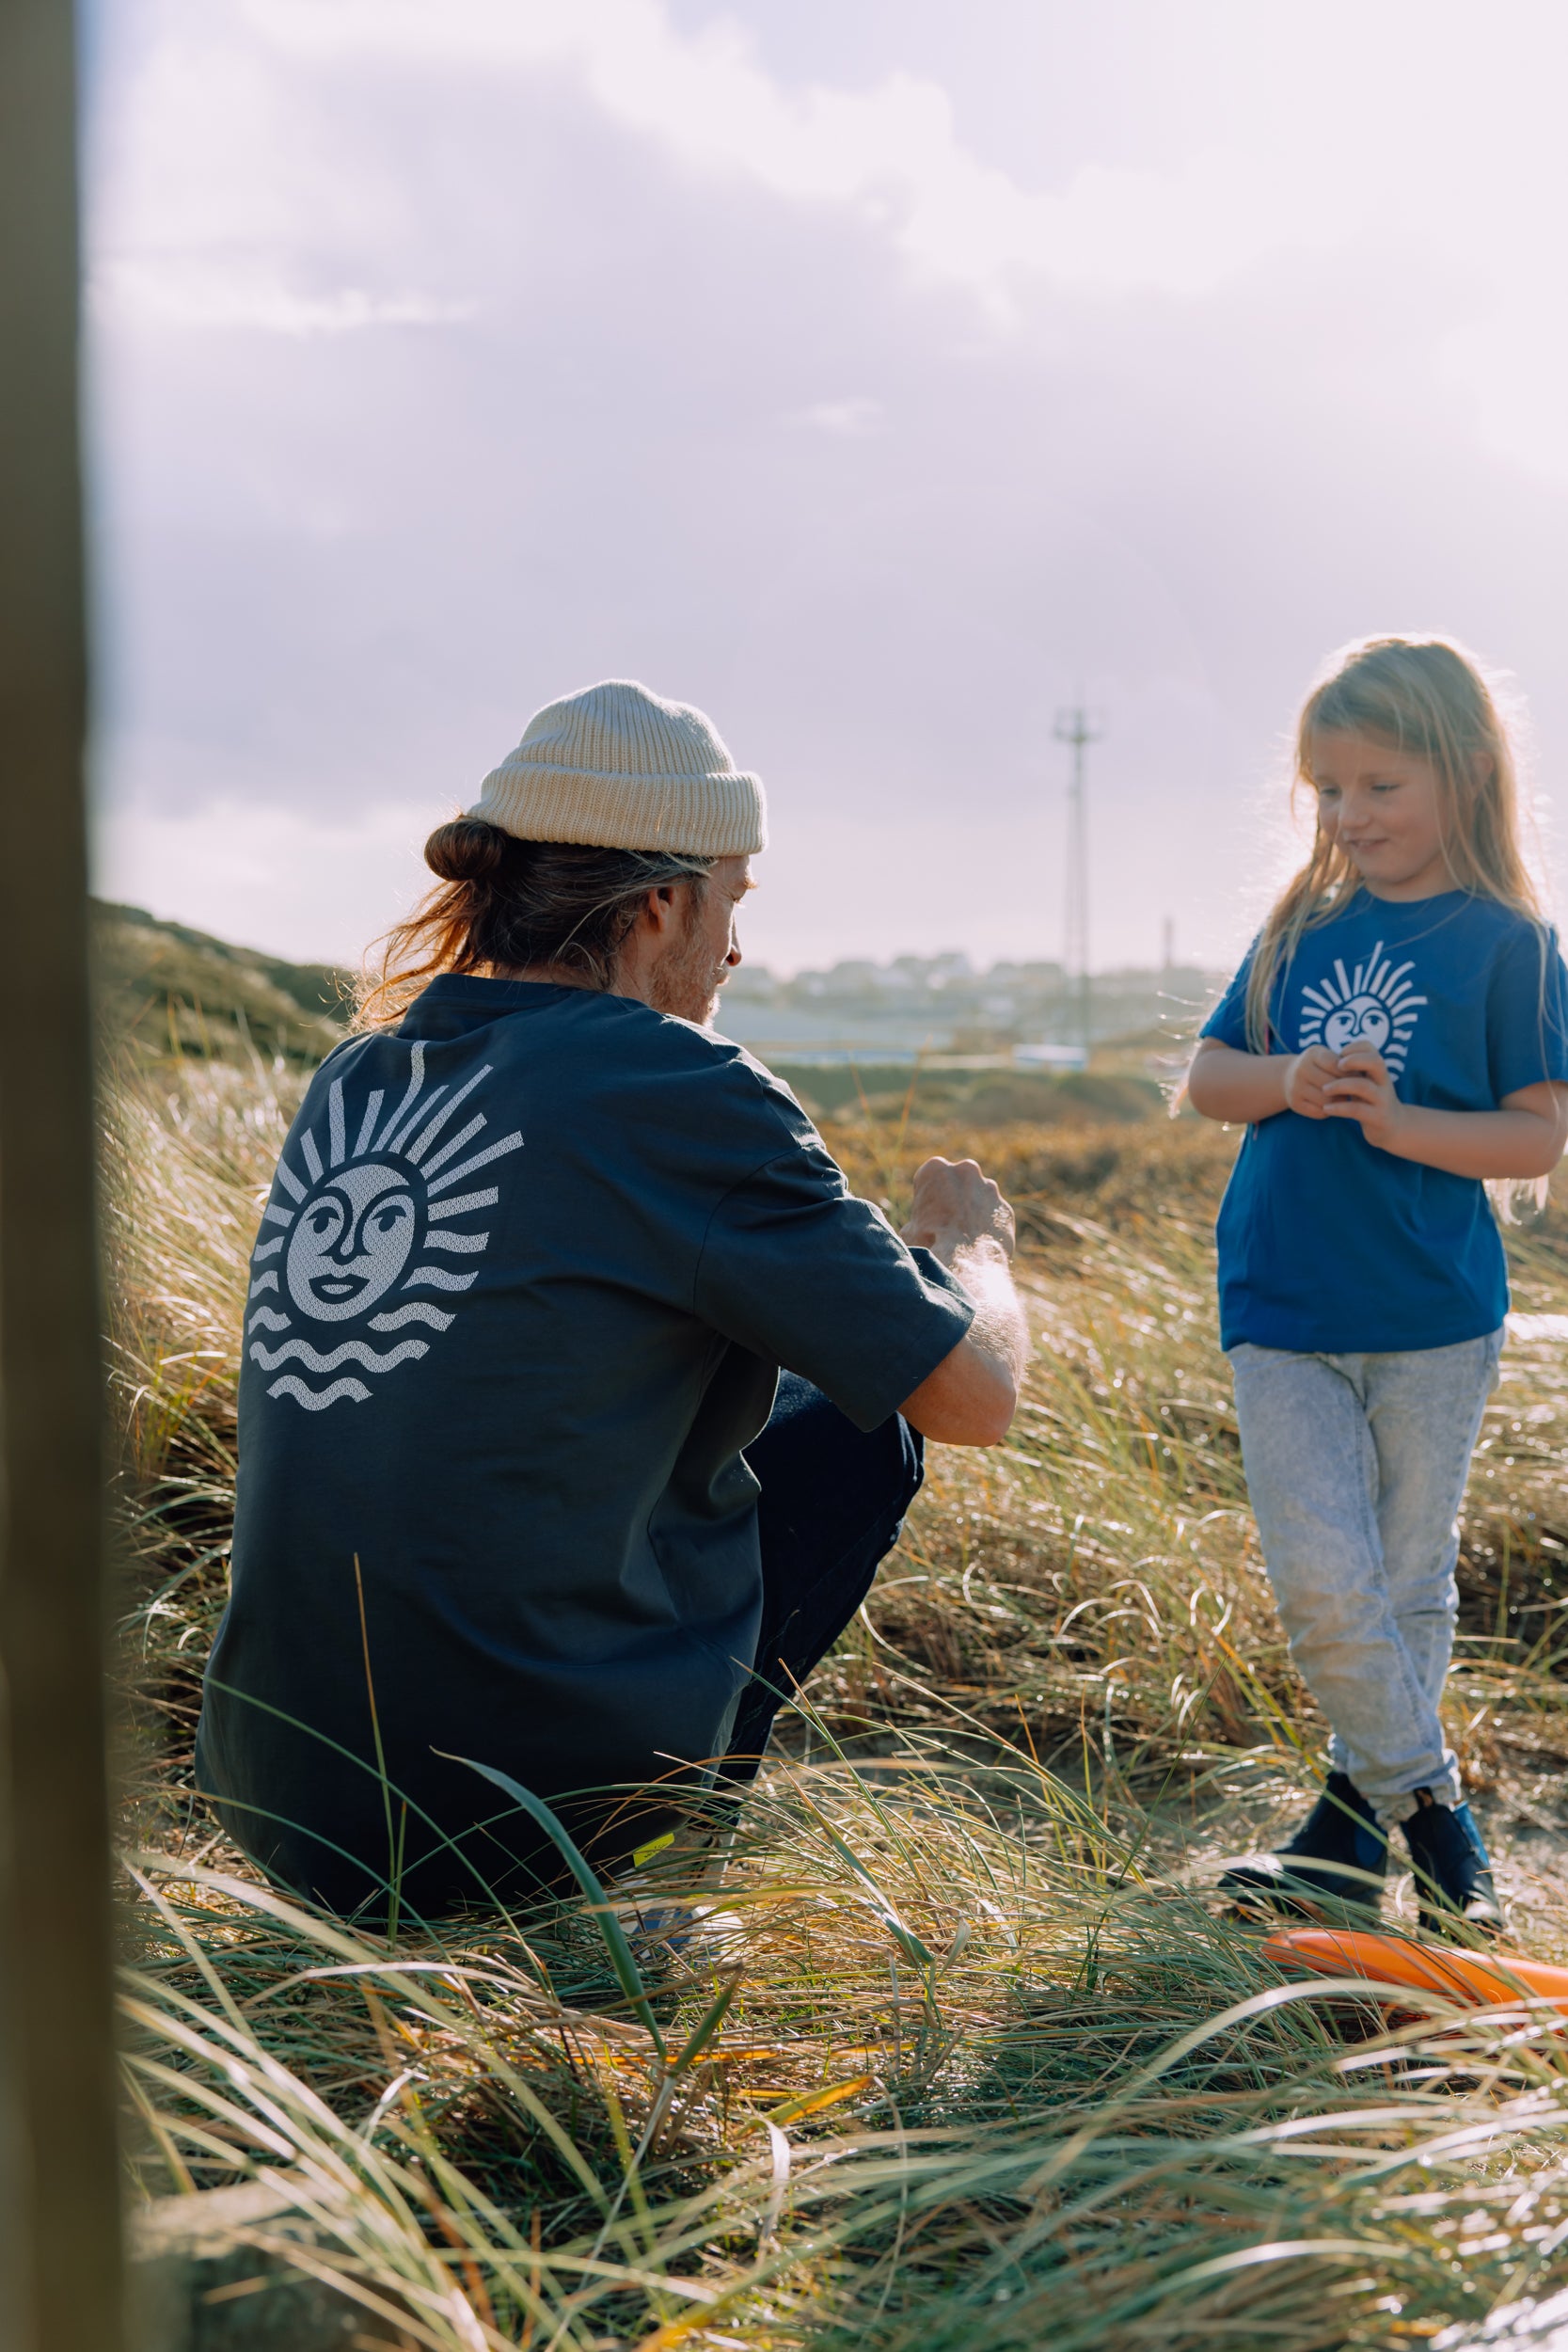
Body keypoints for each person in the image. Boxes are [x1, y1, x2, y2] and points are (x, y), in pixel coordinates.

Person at [196, 679, 1028, 1919]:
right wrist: (974, 1255)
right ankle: (633, 1878)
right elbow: (979, 1397)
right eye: (732, 899)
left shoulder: (359, 1074)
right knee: (872, 1427)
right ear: (660, 903)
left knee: (785, 1387)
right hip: (506, 1827)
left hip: (279, 1798)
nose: (736, 947)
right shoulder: (677, 1085)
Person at [1189, 636, 1568, 1936]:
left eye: (1379, 788)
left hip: (1430, 1314)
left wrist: (1403, 1124)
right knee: (1325, 1586)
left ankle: (1346, 1840)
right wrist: (1291, 1081)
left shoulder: (1510, 945)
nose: (1349, 818)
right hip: (1283, 1304)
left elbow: (1534, 1137)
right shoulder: (1299, 926)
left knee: (1406, 1586)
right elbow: (1209, 1078)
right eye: (1329, 790)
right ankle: (1443, 1827)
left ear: (1462, 774)